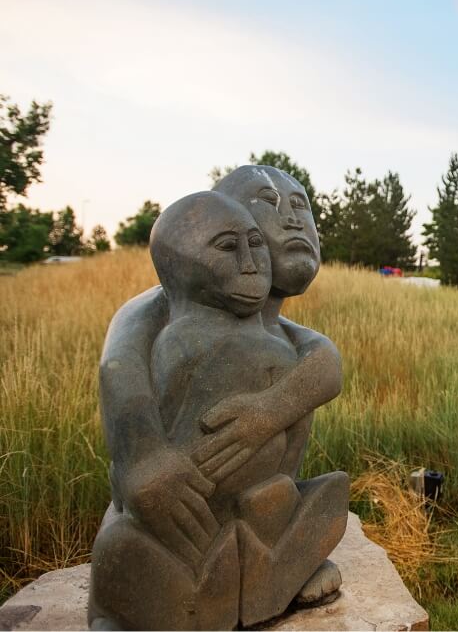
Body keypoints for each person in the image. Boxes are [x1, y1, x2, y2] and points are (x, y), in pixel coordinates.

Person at [88, 167, 347, 629]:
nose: (293, 221)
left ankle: (275, 566)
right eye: (270, 203)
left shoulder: (278, 329)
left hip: (258, 497)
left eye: (301, 207)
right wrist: (145, 455)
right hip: (171, 499)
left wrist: (268, 413)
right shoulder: (167, 300)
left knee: (296, 499)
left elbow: (327, 364)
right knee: (139, 544)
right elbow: (117, 365)